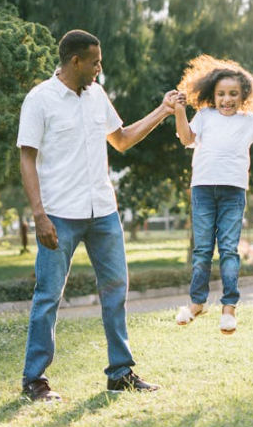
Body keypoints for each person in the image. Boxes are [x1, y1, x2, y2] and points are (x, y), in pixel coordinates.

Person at [17, 29, 176, 401]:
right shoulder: (40, 99)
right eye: (95, 62)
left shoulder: (97, 95)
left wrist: (163, 110)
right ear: (75, 61)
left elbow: (120, 139)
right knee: (48, 296)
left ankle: (120, 373)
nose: (99, 69)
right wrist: (39, 215)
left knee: (116, 291)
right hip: (59, 214)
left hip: (103, 211)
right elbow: (26, 157)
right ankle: (34, 379)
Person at [172, 55, 253, 335]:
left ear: (244, 96)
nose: (226, 99)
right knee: (203, 249)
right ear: (212, 95)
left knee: (229, 249)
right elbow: (186, 138)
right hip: (203, 189)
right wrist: (179, 111)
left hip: (233, 191)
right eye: (221, 94)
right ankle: (197, 303)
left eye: (233, 94)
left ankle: (229, 309)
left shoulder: (249, 120)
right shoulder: (205, 116)